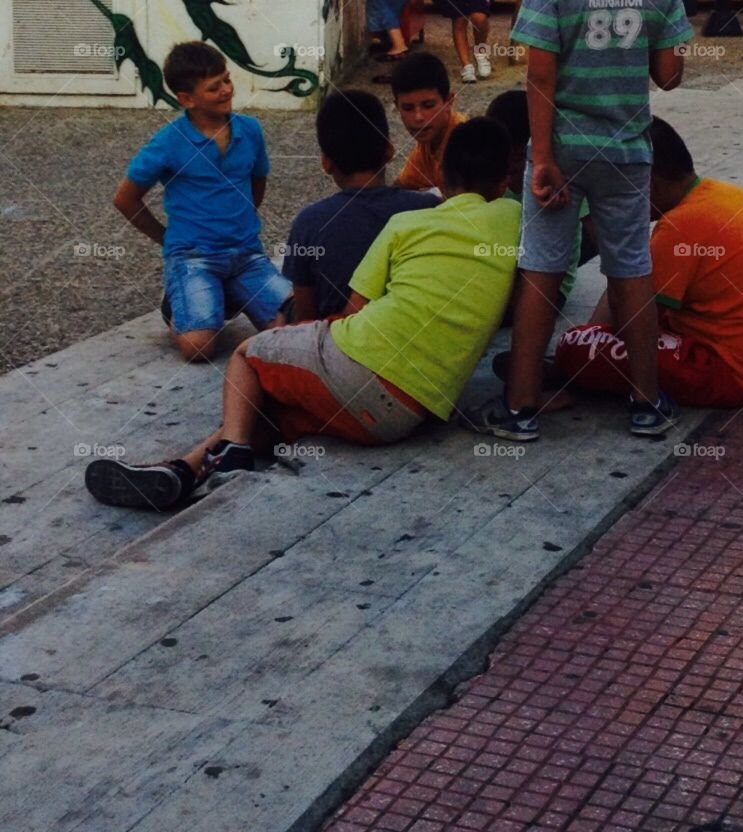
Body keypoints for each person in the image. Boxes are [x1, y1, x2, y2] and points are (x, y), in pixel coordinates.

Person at [84, 119, 522, 511]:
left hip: (361, 362)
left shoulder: (404, 226)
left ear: (441, 177)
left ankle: (231, 451)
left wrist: (293, 337)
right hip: (403, 417)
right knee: (267, 415)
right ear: (504, 182)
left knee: (247, 354)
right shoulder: (513, 217)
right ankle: (182, 471)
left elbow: (353, 313)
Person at [475, 0, 692, 444]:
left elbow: (538, 75)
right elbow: (668, 76)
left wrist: (541, 157)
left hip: (562, 148)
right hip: (627, 152)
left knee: (542, 265)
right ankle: (647, 402)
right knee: (632, 267)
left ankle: (520, 404)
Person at [551, 117, 743, 409]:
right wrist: (596, 336)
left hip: (735, 374)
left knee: (572, 347)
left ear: (649, 180)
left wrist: (589, 344)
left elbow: (629, 322)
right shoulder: (719, 195)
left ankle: (576, 375)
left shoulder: (680, 226)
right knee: (594, 335)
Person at [113, 41, 291, 363]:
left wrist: (242, 221)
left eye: (226, 79)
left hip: (247, 255)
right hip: (194, 257)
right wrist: (166, 239)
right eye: (214, 87)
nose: (226, 90)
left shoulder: (250, 130)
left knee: (294, 329)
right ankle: (177, 303)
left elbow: (258, 181)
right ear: (186, 100)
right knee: (197, 349)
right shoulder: (168, 143)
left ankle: (225, 294)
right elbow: (125, 198)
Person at [282, 89, 439, 322]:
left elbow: (306, 321)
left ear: (326, 163)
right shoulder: (430, 209)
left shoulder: (309, 223)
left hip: (340, 345)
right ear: (389, 151)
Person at [485, 89, 589, 313]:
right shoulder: (489, 179)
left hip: (548, 286)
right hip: (502, 274)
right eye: (499, 156)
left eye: (516, 157)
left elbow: (592, 225)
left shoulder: (556, 180)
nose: (508, 165)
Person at [392, 52, 467, 194]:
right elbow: (400, 187)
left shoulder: (464, 146)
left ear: (449, 102)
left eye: (428, 106)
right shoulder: (426, 145)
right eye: (408, 108)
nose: (418, 117)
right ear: (397, 107)